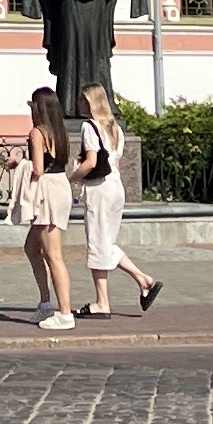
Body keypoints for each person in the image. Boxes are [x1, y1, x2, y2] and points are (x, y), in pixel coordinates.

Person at [70, 85, 161, 317]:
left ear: (90, 102)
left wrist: (72, 177)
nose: (79, 103)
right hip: (115, 187)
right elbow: (115, 162)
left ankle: (102, 302)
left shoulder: (89, 126)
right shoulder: (115, 128)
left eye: (82, 99)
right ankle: (143, 280)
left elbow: (91, 162)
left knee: (98, 244)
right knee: (107, 242)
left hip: (99, 189)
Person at [21, 86, 78, 331]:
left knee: (54, 256)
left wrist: (18, 163)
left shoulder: (38, 133)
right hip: (60, 186)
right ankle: (45, 303)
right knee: (32, 247)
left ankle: (65, 313)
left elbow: (38, 169)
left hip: (48, 192)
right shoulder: (59, 131)